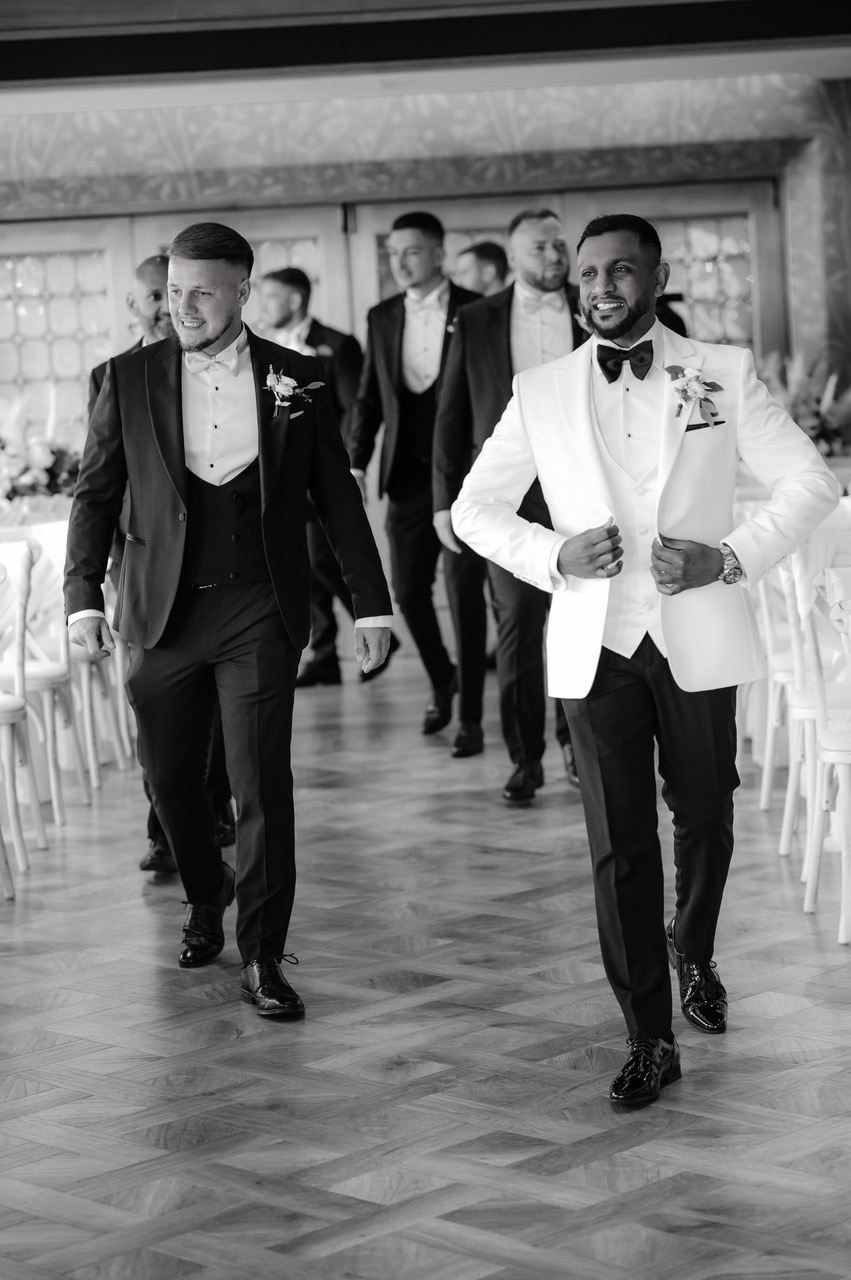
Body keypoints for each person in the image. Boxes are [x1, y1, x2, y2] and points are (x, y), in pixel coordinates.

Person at [452, 212, 840, 1103]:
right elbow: (474, 508)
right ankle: (647, 1036)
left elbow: (810, 481)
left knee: (704, 810)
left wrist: (727, 557)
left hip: (694, 632)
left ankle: (692, 947)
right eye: (587, 273)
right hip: (596, 644)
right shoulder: (541, 389)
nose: (600, 287)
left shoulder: (720, 371)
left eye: (620, 271)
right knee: (618, 841)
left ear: (656, 278)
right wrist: (552, 554)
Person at [66, 222, 392, 1018]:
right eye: (174, 292)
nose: (182, 308)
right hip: (161, 612)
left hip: (258, 607)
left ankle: (263, 956)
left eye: (202, 293)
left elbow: (336, 497)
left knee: (260, 783)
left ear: (242, 292)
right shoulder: (124, 377)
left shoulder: (299, 376)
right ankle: (206, 891)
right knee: (171, 780)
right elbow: (96, 493)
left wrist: (371, 603)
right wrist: (83, 598)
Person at [434, 209, 587, 800]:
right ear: (514, 254)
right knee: (519, 626)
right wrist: (445, 502)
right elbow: (450, 412)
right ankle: (526, 757)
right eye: (540, 247)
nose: (554, 255)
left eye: (559, 245)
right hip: (508, 499)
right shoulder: (475, 318)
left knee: (583, 623)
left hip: (586, 493)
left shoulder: (592, 306)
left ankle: (575, 743)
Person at [89, 254, 234, 875]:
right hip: (143, 564)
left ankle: (214, 805)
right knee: (153, 705)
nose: (166, 308)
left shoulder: (226, 368)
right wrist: (109, 568)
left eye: (172, 293)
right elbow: (101, 479)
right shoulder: (113, 375)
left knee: (220, 704)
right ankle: (164, 829)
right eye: (156, 296)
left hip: (219, 567)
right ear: (136, 306)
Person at [348, 211, 479, 752]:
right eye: (392, 253)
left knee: (465, 593)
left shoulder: (477, 309)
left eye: (412, 251)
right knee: (405, 591)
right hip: (404, 475)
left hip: (467, 476)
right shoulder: (381, 316)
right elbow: (369, 398)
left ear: (439, 253)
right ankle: (443, 677)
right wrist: (356, 463)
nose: (400, 262)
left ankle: (470, 717)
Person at [260, 267, 399, 689]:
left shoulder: (338, 345)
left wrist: (351, 465)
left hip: (322, 469)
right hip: (279, 476)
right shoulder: (261, 350)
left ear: (295, 299)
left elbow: (355, 407)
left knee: (322, 558)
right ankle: (323, 655)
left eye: (271, 296)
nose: (264, 305)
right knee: (300, 561)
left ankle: (374, 626)